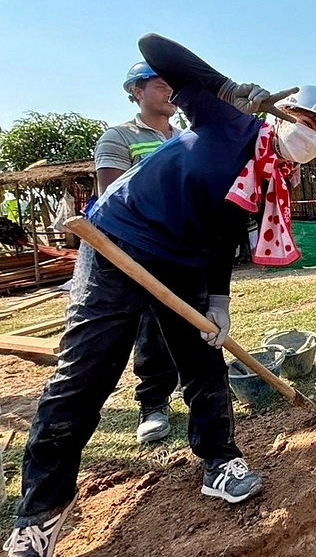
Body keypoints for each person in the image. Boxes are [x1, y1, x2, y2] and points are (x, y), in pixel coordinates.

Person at [4, 33, 316, 557]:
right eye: (309, 120)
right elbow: (154, 46)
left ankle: (219, 461)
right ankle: (41, 514)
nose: (314, 135)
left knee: (204, 363)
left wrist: (218, 303)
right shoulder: (229, 120)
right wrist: (227, 88)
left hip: (186, 262)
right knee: (84, 376)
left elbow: (222, 239)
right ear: (285, 112)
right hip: (119, 243)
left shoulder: (275, 178)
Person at [93, 62, 183, 444]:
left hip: (181, 245)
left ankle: (197, 389)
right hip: (140, 246)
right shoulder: (119, 137)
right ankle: (153, 403)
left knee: (193, 323)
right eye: (161, 86)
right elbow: (111, 202)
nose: (170, 93)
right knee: (151, 327)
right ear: (137, 92)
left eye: (172, 87)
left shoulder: (185, 139)